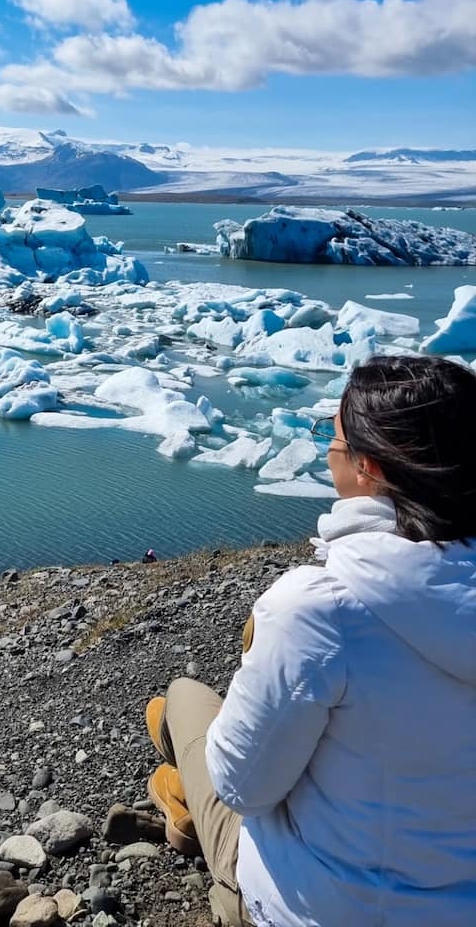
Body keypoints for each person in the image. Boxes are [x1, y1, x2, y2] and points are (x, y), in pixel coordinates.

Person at [145, 354, 476, 927]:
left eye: (334, 435)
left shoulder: (319, 609)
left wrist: (260, 654)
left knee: (179, 702)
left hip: (326, 909)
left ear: (368, 466)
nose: (326, 448)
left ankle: (185, 808)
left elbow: (243, 788)